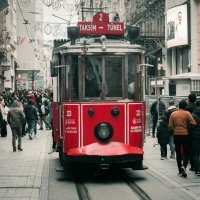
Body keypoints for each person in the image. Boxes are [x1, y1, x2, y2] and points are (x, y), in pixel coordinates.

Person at [168, 100, 196, 178]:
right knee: (186, 152)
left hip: (176, 135)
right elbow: (194, 123)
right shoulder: (187, 113)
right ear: (185, 106)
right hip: (185, 135)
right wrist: (188, 129)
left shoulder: (173, 114)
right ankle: (184, 166)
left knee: (178, 153)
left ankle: (180, 170)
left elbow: (170, 125)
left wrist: (174, 130)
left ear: (179, 106)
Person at [186, 93, 197, 171]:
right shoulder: (196, 107)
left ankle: (192, 165)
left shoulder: (187, 107)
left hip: (189, 130)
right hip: (196, 130)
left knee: (190, 149)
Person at [189, 100, 200, 176]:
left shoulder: (193, 115)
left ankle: (197, 170)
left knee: (195, 154)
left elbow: (190, 127)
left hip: (195, 137)